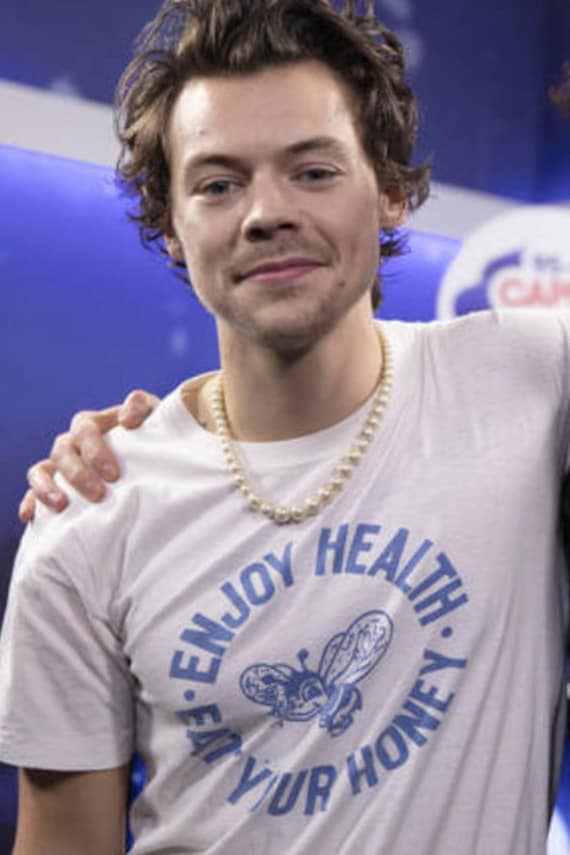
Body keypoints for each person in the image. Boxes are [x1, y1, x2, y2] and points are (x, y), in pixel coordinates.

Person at [1, 1, 569, 853]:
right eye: (218, 184)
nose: (265, 212)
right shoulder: (88, 510)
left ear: (390, 192)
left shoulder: (534, 377)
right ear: (170, 227)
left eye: (313, 171)